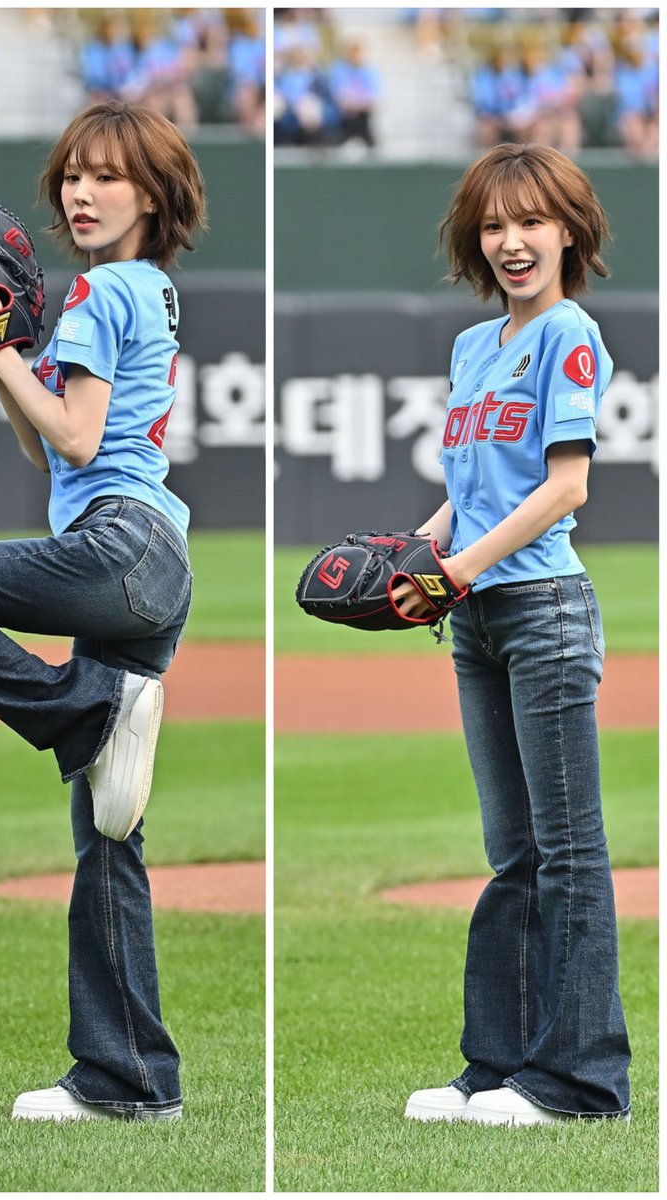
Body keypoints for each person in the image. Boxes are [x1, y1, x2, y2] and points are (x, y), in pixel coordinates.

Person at [0, 99, 206, 1122]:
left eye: (107, 174)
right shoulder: (145, 287)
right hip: (149, 559)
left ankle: (85, 714)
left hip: (119, 544)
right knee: (110, 836)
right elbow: (45, 440)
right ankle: (128, 1078)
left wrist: (5, 352)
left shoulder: (103, 289)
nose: (81, 190)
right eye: (72, 173)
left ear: (151, 194)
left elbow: (75, 439)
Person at [398, 143, 631, 1126]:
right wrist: (412, 553)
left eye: (532, 221)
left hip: (543, 612)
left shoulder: (569, 332)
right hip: (480, 618)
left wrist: (458, 568)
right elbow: (469, 491)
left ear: (569, 230)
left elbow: (565, 487)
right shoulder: (472, 347)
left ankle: (580, 1081)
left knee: (568, 852)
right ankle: (496, 1067)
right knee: (513, 855)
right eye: (494, 225)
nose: (512, 241)